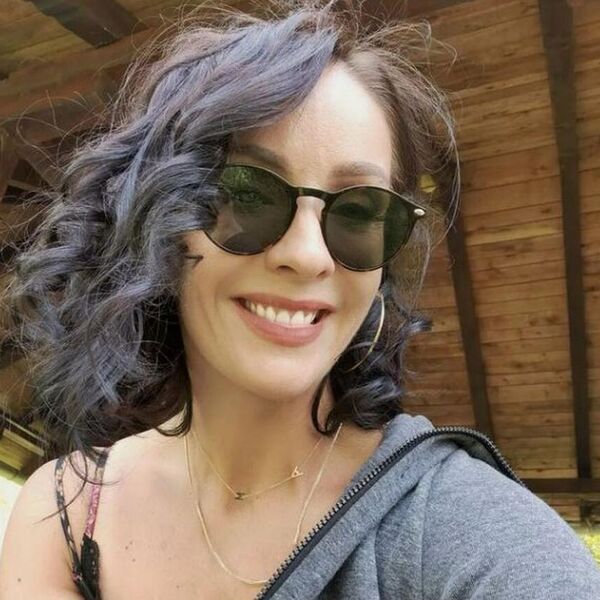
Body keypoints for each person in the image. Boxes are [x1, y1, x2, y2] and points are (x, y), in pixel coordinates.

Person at [1, 1, 599, 598]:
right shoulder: (68, 512)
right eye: (248, 193)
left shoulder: (449, 520)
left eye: (360, 210)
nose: (309, 255)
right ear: (164, 219)